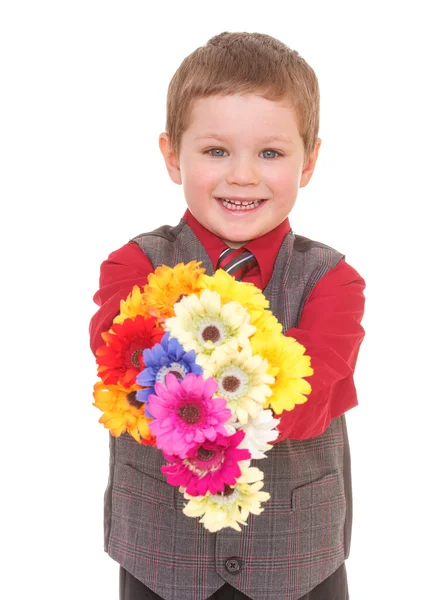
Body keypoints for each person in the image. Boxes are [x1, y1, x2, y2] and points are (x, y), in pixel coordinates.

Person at [89, 31, 366, 600]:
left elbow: (305, 403)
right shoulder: (134, 265)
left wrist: (186, 394)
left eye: (271, 152)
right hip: (161, 563)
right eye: (216, 151)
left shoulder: (333, 281)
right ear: (172, 156)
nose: (243, 175)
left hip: (298, 562)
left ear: (309, 161)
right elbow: (124, 371)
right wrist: (215, 391)